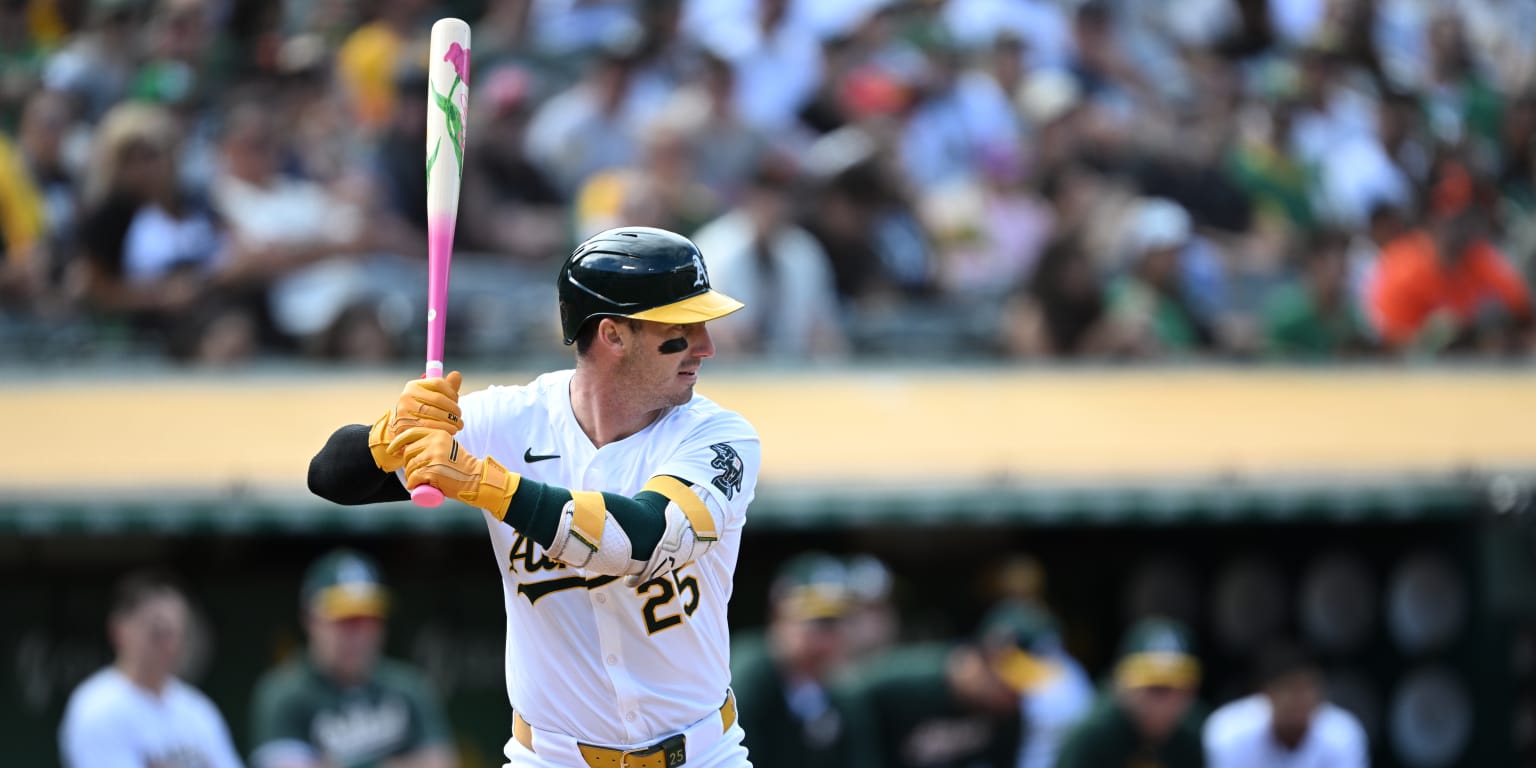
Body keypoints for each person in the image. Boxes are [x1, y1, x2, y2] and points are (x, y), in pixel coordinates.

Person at [307, 226, 759, 767]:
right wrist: (390, 435)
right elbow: (330, 478)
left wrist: (485, 485)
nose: (706, 347)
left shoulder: (718, 437)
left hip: (700, 756)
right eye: (681, 330)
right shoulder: (511, 419)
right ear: (613, 335)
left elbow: (639, 539)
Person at [248, 548, 456, 768]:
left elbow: (441, 762)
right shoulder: (285, 694)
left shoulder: (409, 687)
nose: (357, 634)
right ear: (310, 621)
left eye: (367, 618)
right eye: (343, 620)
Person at [58, 570, 243, 768]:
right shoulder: (97, 706)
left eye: (176, 632)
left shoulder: (198, 710)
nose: (169, 644)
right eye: (158, 631)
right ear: (118, 631)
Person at [835, 601, 1044, 768]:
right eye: (1008, 682)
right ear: (980, 660)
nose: (1017, 694)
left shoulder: (1008, 712)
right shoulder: (895, 684)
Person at [730, 553, 858, 768]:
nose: (827, 640)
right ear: (779, 617)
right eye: (818, 623)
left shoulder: (837, 691)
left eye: (836, 624)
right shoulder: (749, 679)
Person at [1055, 617, 1207, 768]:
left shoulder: (1199, 734)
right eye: (1154, 688)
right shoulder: (1092, 737)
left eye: (1179, 688)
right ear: (1119, 685)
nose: (1164, 703)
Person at [1203, 642, 1368, 768]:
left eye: (1309, 688)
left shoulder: (1342, 733)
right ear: (1266, 693)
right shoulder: (1229, 732)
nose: (1302, 699)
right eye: (1292, 689)